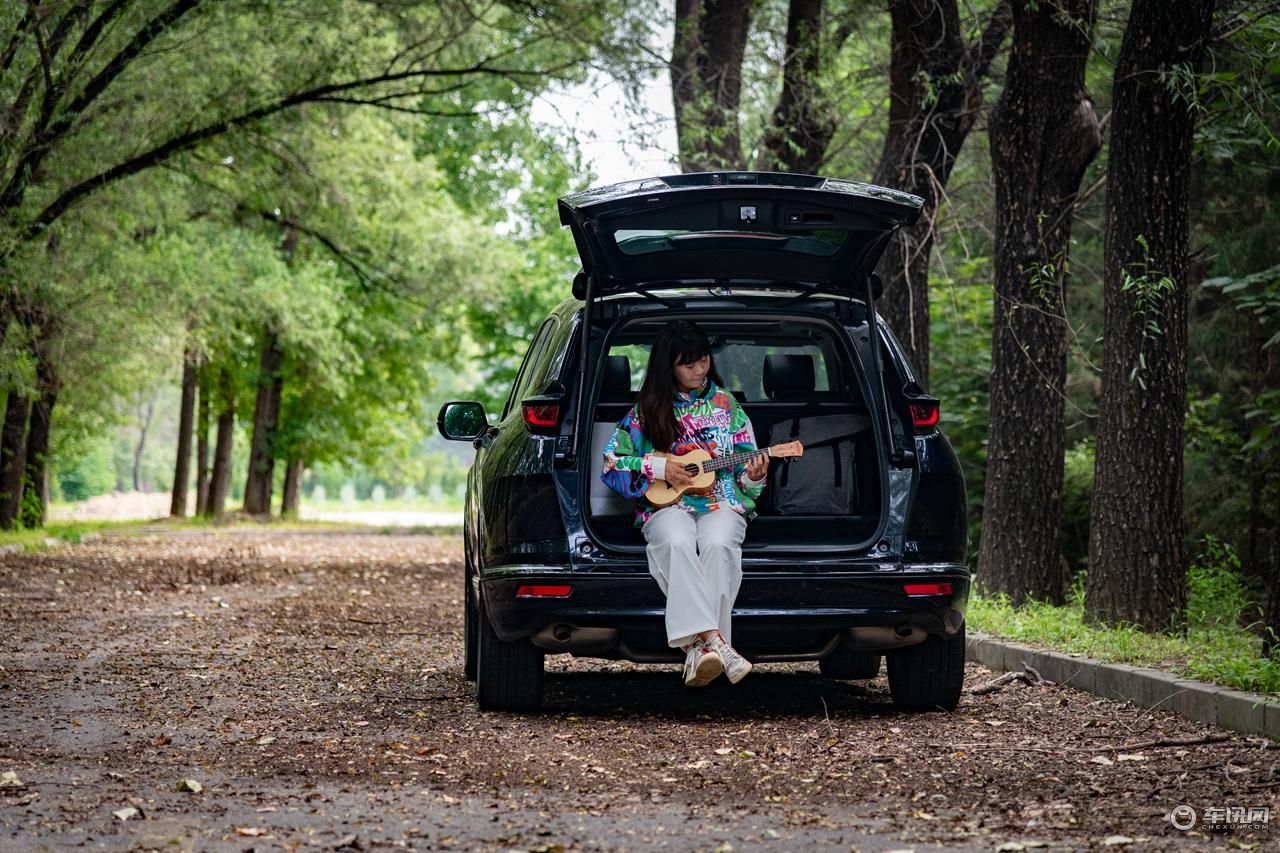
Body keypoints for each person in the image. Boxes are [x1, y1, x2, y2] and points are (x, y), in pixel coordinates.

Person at [600, 320, 768, 687]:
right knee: (675, 541)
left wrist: (754, 478)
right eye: (687, 364)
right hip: (664, 506)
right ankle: (718, 644)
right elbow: (611, 464)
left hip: (721, 501)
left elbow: (745, 477)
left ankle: (697, 652)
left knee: (719, 543)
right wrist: (661, 466)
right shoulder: (646, 411)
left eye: (703, 361)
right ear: (668, 367)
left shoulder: (727, 406)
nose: (698, 370)